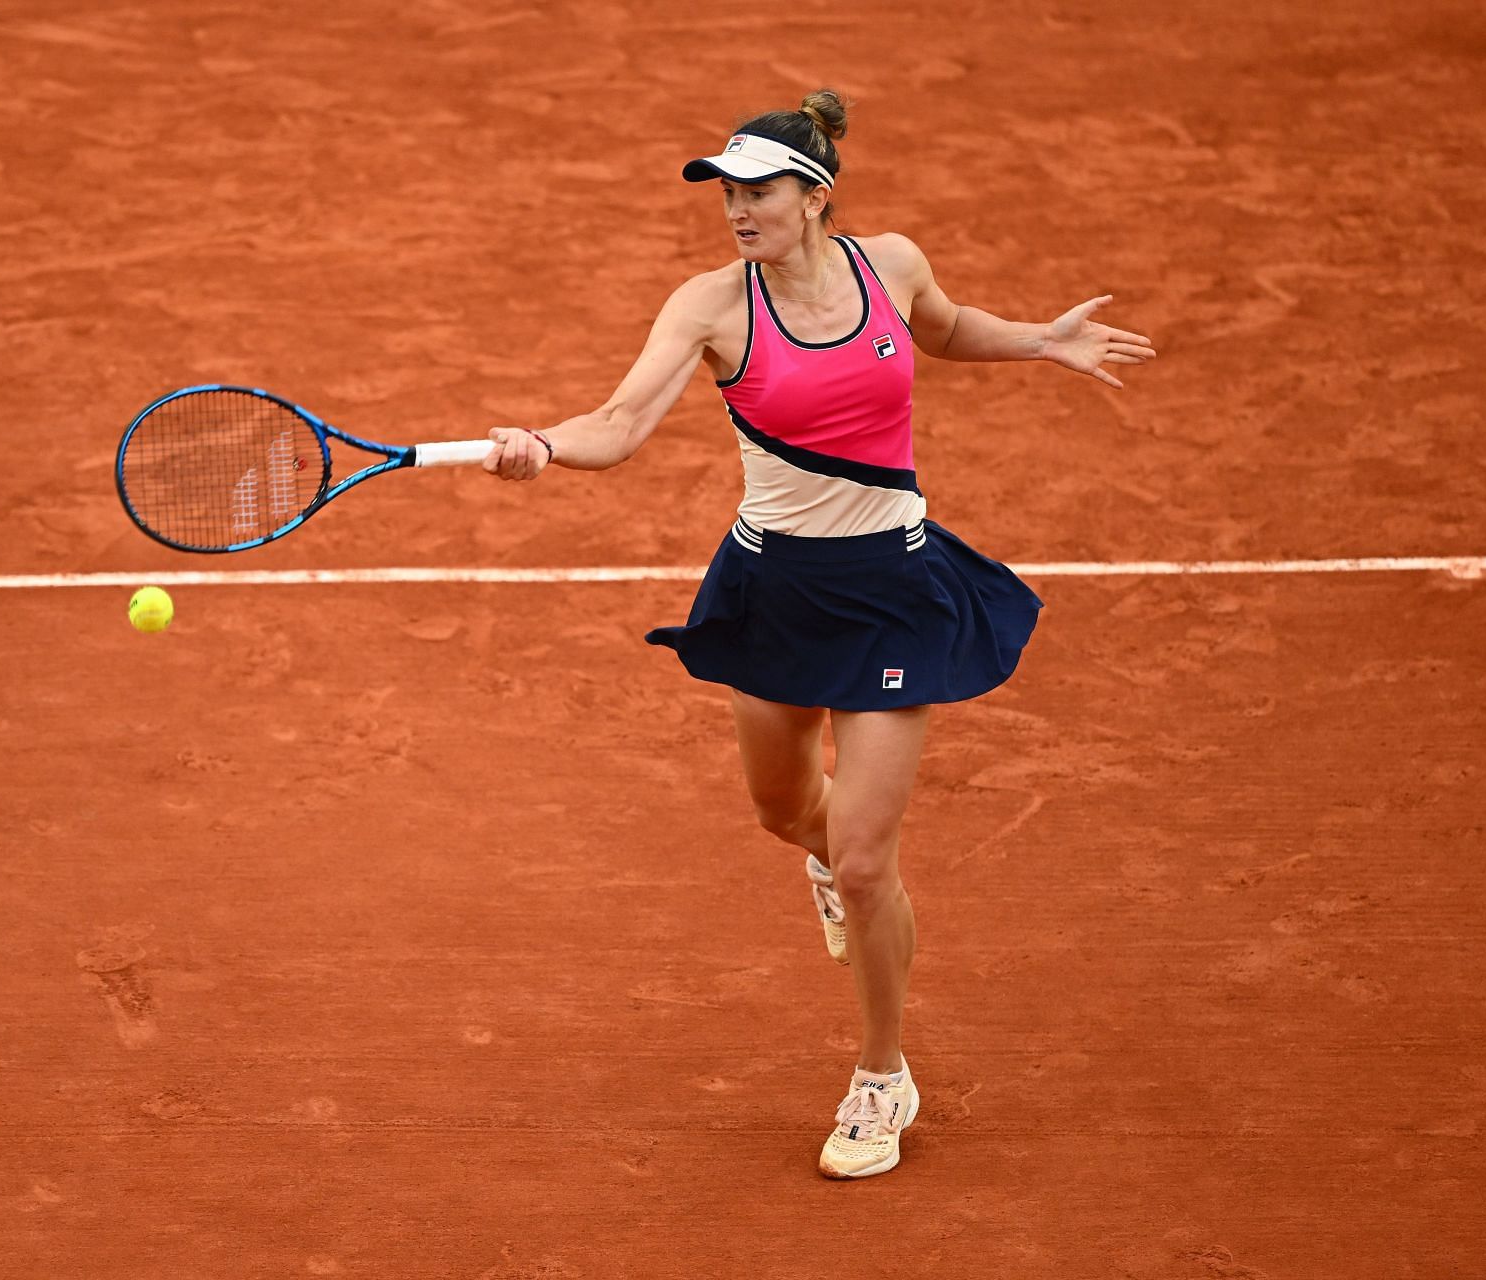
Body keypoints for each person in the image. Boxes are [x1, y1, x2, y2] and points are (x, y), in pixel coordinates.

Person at [480, 89, 1155, 1179]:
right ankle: (828, 862)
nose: (738, 211)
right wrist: (542, 447)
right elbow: (618, 424)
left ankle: (881, 1072)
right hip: (772, 590)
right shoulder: (709, 307)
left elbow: (942, 331)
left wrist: (1040, 340)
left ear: (814, 196)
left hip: (892, 587)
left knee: (866, 852)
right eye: (727, 194)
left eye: (757, 192)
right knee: (784, 809)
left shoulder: (889, 263)